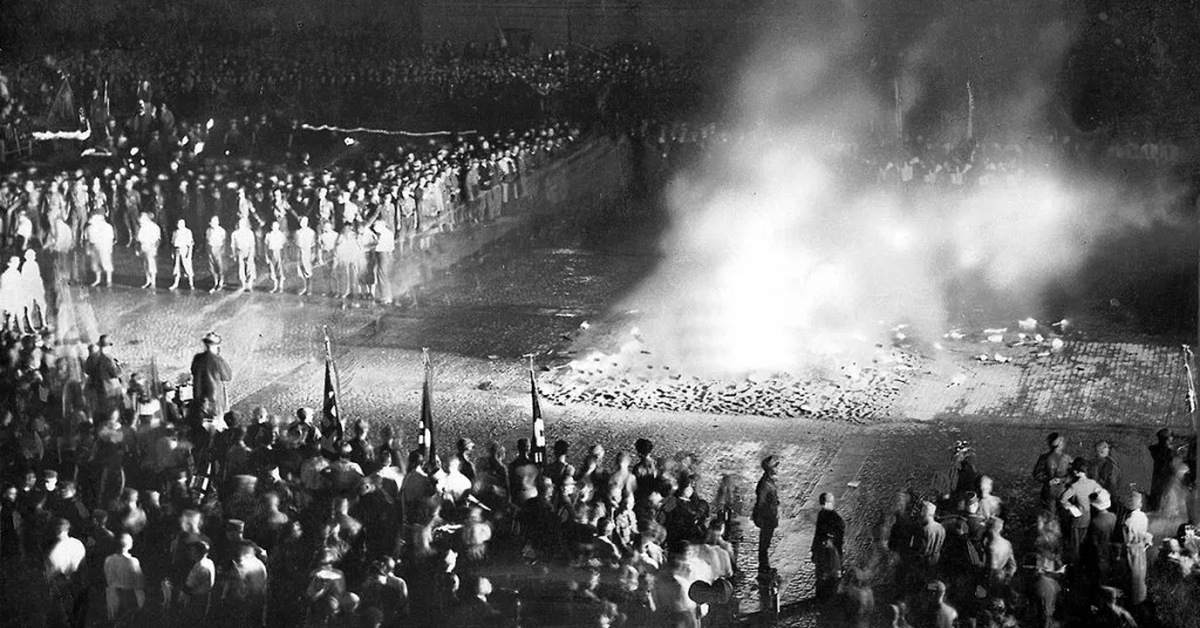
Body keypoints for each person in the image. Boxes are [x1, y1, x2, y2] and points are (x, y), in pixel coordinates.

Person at [104, 533, 146, 621]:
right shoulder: (133, 561)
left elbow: (108, 578)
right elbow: (139, 583)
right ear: (129, 545)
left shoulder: (108, 560)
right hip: (127, 597)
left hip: (111, 597)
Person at [191, 332, 233, 420]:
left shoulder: (197, 358)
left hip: (200, 401)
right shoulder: (217, 360)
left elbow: (193, 371)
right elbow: (227, 376)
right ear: (216, 346)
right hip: (215, 403)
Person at [752, 455, 779, 574]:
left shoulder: (769, 481)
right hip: (767, 517)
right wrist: (761, 517)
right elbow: (761, 503)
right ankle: (763, 566)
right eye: (775, 467)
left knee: (766, 542)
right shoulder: (765, 484)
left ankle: (764, 564)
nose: (777, 469)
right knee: (764, 542)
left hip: (770, 515)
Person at [1033, 432, 1071, 512]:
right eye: (1062, 441)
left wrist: (1048, 480)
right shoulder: (1067, 459)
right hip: (1063, 491)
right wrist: (1062, 480)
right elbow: (1073, 475)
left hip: (1049, 491)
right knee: (1063, 513)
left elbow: (1037, 474)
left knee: (1049, 513)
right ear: (1060, 445)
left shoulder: (1044, 458)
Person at [1148, 428, 1175, 511]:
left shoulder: (1151, 449)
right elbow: (1171, 466)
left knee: (1152, 498)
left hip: (1152, 477)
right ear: (1167, 439)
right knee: (1161, 498)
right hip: (1163, 478)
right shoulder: (1169, 452)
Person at [85, 213, 115, 287]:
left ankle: (109, 280)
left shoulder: (107, 227)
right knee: (95, 264)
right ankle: (98, 279)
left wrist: (110, 248)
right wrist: (88, 249)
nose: (90, 220)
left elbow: (110, 239)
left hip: (104, 246)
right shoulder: (89, 228)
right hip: (93, 247)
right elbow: (87, 240)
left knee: (106, 263)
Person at [369, 218, 394, 304]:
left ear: (382, 225)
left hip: (382, 254)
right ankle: (386, 295)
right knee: (383, 275)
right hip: (385, 254)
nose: (374, 227)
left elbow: (377, 246)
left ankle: (385, 297)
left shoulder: (383, 234)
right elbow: (391, 247)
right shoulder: (389, 233)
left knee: (382, 275)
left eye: (376, 225)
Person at [136, 212, 162, 289]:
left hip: (151, 247)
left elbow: (158, 239)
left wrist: (155, 248)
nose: (140, 223)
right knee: (145, 265)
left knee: (152, 265)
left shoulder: (154, 227)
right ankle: (148, 280)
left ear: (146, 219)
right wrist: (138, 249)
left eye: (141, 221)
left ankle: (153, 282)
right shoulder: (141, 228)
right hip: (143, 247)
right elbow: (138, 239)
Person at [231, 218, 256, 292]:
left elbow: (252, 244)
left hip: (248, 250)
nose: (241, 225)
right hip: (240, 251)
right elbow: (233, 245)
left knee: (250, 267)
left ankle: (249, 285)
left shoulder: (250, 233)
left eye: (243, 224)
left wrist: (251, 253)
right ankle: (243, 285)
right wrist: (234, 254)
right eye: (240, 223)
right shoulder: (235, 233)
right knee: (240, 267)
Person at [170, 218, 196, 290]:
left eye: (181, 224)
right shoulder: (175, 232)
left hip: (185, 250)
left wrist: (189, 253)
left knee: (187, 266)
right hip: (177, 250)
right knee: (176, 267)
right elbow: (172, 243)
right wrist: (172, 253)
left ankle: (191, 284)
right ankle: (175, 283)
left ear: (184, 224)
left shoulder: (188, 232)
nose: (179, 225)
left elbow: (190, 244)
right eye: (178, 224)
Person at [294, 216, 316, 295]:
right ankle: (304, 287)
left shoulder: (311, 232)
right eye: (301, 222)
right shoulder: (298, 232)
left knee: (308, 270)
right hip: (299, 251)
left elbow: (313, 244)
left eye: (304, 222)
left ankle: (309, 289)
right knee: (300, 270)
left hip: (307, 251)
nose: (302, 223)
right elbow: (296, 244)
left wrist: (313, 253)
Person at [205, 216, 227, 292]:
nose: (212, 224)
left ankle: (221, 282)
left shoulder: (221, 231)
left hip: (218, 249)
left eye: (214, 222)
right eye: (211, 222)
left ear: (218, 222)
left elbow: (224, 242)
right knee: (212, 267)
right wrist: (208, 250)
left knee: (220, 266)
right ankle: (215, 282)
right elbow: (207, 241)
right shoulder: (208, 230)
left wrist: (222, 251)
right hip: (210, 249)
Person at [264, 221, 287, 293]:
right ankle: (275, 286)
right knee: (272, 270)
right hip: (271, 253)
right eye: (273, 227)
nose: (275, 228)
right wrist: (266, 256)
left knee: (280, 270)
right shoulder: (268, 235)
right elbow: (266, 246)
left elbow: (285, 245)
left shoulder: (281, 235)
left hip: (279, 253)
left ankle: (281, 287)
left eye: (276, 227)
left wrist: (284, 255)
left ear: (278, 227)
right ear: (271, 227)